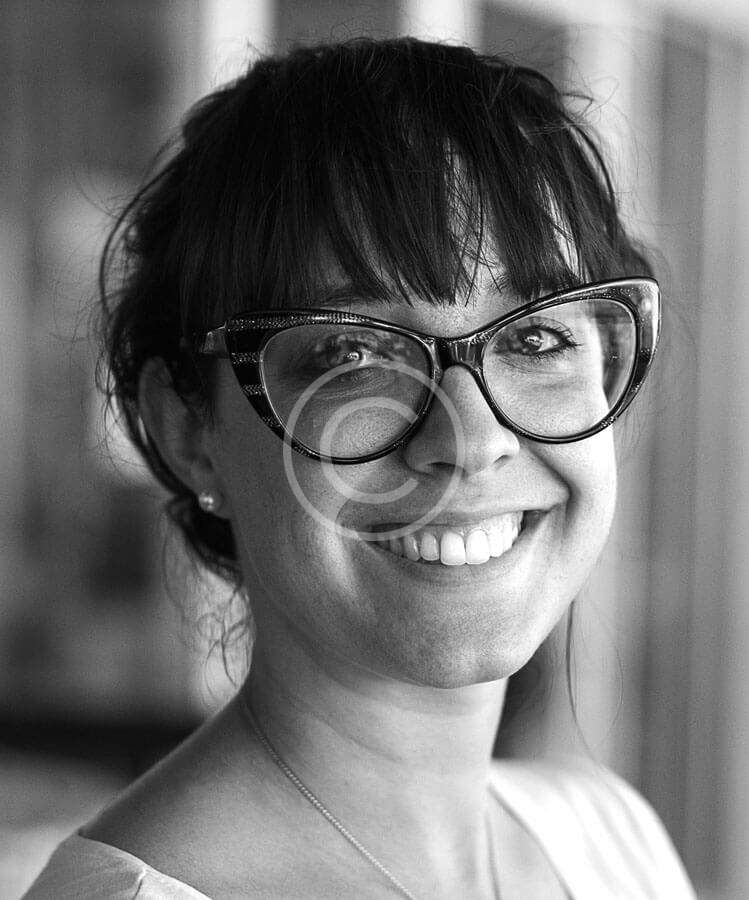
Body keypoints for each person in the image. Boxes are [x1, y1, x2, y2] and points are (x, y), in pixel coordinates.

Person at [25, 37, 696, 899]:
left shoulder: (607, 837)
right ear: (187, 428)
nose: (470, 439)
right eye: (353, 353)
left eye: (536, 337)